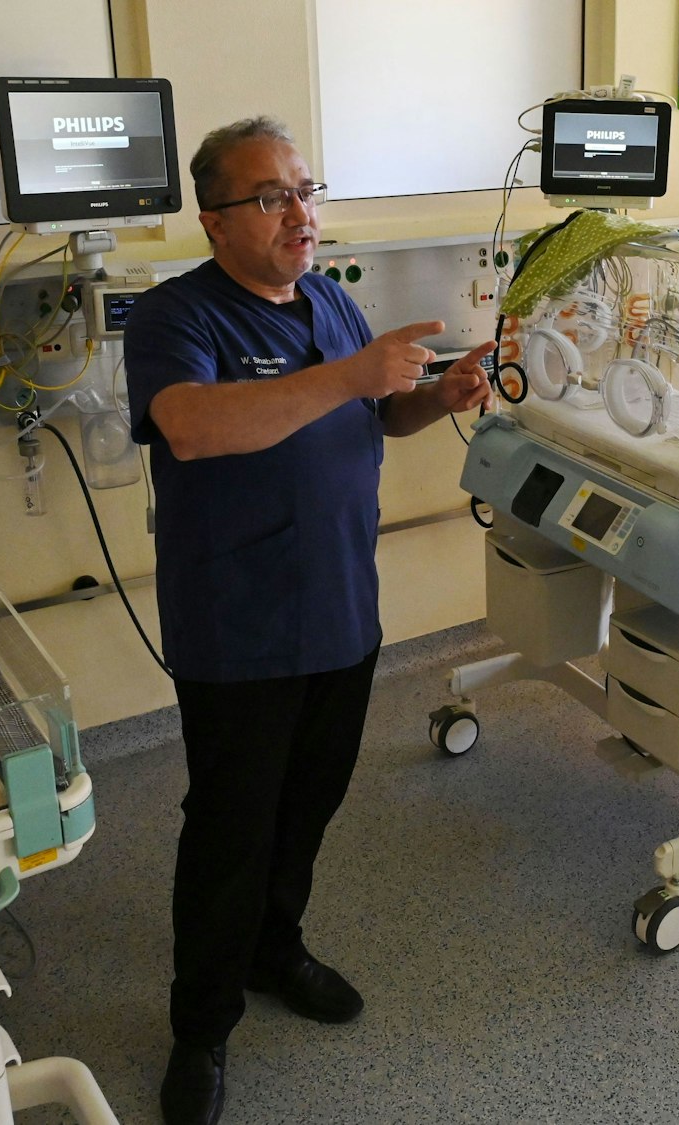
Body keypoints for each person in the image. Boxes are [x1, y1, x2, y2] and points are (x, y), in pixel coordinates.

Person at [122, 116, 493, 1125]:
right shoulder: (175, 317)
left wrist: (437, 395)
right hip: (238, 629)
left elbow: (374, 414)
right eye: (270, 196)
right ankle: (201, 1026)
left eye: (305, 189)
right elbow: (192, 429)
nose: (300, 213)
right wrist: (353, 374)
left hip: (340, 616)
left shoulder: (331, 302)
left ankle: (273, 950)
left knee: (307, 809)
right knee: (230, 830)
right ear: (214, 221)